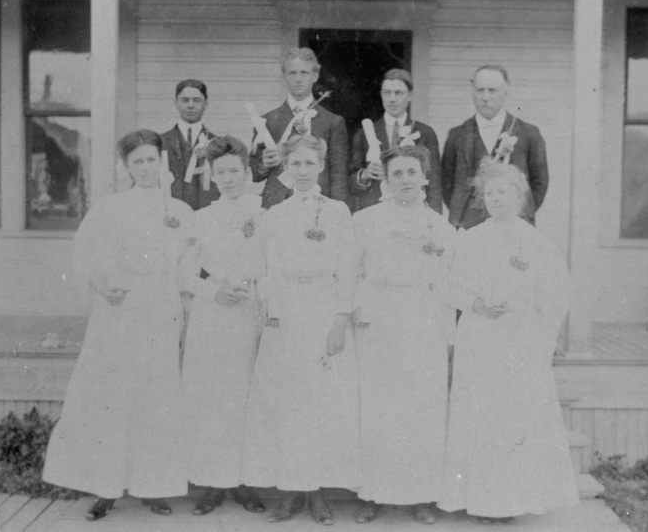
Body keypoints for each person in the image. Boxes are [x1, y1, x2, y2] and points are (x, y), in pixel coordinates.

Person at [42, 130, 194, 521]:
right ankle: (105, 489)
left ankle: (151, 486)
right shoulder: (110, 208)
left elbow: (187, 269)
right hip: (120, 313)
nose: (146, 168)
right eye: (137, 161)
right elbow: (87, 256)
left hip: (161, 313)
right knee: (112, 397)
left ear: (163, 162)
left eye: (151, 160)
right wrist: (103, 286)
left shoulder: (179, 211)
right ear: (125, 167)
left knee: (155, 399)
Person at [438, 161, 578, 523]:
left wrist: (530, 317)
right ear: (482, 200)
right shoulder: (469, 238)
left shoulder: (536, 242)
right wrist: (477, 304)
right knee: (482, 414)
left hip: (519, 338)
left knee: (513, 415)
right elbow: (449, 286)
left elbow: (556, 294)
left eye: (503, 192)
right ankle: (480, 500)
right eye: (490, 193)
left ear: (519, 196)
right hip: (480, 335)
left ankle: (513, 500)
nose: (496, 198)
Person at [241, 134, 360, 525]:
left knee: (321, 402)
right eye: (296, 165)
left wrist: (340, 320)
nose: (303, 171)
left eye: (310, 164)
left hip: (324, 309)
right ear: (285, 169)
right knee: (287, 401)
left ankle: (319, 491)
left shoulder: (339, 211)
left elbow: (348, 268)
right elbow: (269, 267)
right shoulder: (274, 214)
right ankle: (292, 491)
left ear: (322, 166)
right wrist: (272, 310)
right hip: (287, 313)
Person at [351, 145, 455, 525]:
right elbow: (354, 271)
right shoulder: (365, 220)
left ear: (425, 177)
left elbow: (446, 285)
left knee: (420, 408)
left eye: (412, 172)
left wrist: (447, 336)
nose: (405, 180)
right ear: (387, 180)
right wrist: (361, 310)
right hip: (379, 317)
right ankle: (372, 493)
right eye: (397, 174)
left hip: (422, 317)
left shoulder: (439, 227)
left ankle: (420, 495)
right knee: (379, 406)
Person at [179, 135, 266, 515]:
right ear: (211, 176)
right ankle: (213, 482)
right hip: (213, 319)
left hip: (251, 314)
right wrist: (214, 291)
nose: (228, 179)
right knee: (214, 398)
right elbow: (184, 274)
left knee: (246, 396)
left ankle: (243, 481)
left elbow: (275, 263)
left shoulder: (265, 213)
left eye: (235, 171)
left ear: (247, 172)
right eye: (221, 173)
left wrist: (252, 287)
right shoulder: (203, 218)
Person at [442, 65, 549, 229]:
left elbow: (539, 183)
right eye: (480, 90)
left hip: (514, 222)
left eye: (492, 90)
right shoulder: (457, 135)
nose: (485, 97)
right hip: (466, 223)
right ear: (472, 91)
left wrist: (520, 210)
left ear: (506, 92)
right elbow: (446, 182)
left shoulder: (529, 134)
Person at [249, 48, 349, 208]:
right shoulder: (267, 121)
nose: (298, 79)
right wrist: (265, 165)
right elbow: (253, 172)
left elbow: (339, 175)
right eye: (292, 73)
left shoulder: (332, 122)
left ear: (315, 76)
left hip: (319, 203)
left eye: (304, 73)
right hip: (277, 204)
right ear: (284, 77)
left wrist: (337, 210)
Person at [349, 69, 443, 213]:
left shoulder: (425, 133)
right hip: (376, 209)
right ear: (381, 94)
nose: (392, 99)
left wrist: (434, 218)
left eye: (398, 93)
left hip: (414, 210)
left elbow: (434, 184)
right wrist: (365, 174)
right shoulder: (365, 133)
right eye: (387, 93)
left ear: (410, 95)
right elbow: (351, 182)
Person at [161, 79, 220, 210]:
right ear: (176, 103)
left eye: (197, 100)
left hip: (207, 214)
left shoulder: (218, 144)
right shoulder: (161, 142)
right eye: (185, 100)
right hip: (172, 215)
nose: (191, 105)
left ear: (206, 104)